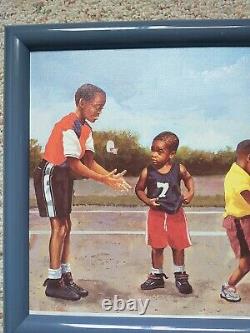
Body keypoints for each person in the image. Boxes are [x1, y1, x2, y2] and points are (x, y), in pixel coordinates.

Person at [33, 83, 130, 301]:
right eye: (97, 106)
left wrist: (109, 177)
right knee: (58, 227)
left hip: (63, 175)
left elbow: (88, 161)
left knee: (66, 226)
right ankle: (53, 281)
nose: (99, 111)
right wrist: (104, 179)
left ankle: (64, 276)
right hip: (50, 173)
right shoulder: (68, 125)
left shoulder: (86, 129)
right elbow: (74, 165)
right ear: (81, 103)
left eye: (102, 108)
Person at [135, 131, 194, 294]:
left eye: (159, 151)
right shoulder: (148, 171)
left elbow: (189, 179)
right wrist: (147, 201)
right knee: (157, 246)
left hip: (176, 212)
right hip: (157, 214)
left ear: (171, 154)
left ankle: (180, 275)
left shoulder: (179, 168)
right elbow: (139, 189)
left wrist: (190, 192)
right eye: (152, 150)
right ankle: (156, 276)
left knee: (178, 245)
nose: (154, 154)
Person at [220, 139, 250, 302]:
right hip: (239, 223)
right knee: (246, 262)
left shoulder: (243, 171)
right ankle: (228, 286)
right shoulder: (237, 178)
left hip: (246, 220)